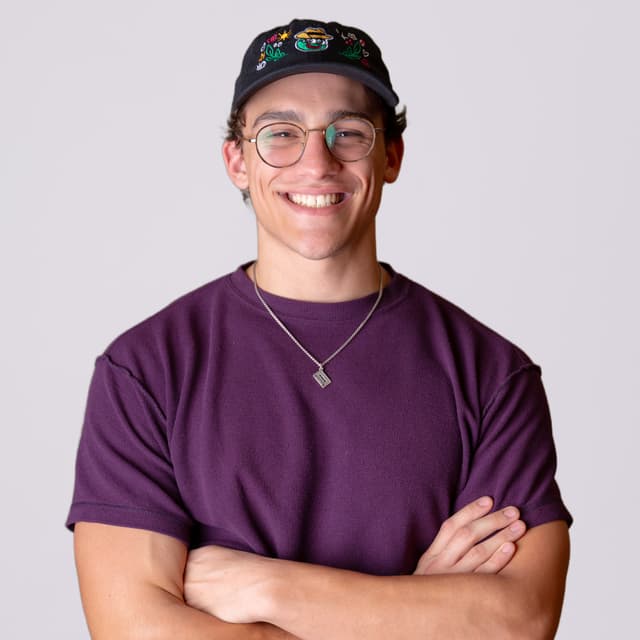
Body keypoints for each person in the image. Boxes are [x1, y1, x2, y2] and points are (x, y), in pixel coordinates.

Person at [67, 18, 572, 639]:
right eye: (280, 134)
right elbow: (132, 631)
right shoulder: (146, 369)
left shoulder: (492, 375)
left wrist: (267, 588)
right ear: (236, 161)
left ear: (391, 156)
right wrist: (413, 611)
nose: (317, 162)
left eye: (348, 133)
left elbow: (520, 622)